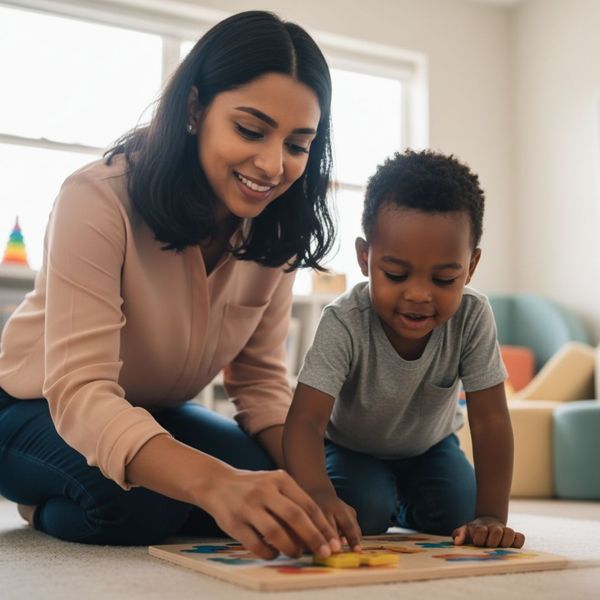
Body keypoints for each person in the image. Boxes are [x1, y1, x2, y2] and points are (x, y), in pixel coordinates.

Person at [0, 10, 343, 560]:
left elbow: (258, 382)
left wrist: (315, 477)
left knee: (285, 490)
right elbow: (81, 392)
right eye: (250, 130)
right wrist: (213, 485)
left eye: (298, 145)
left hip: (154, 411)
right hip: (32, 407)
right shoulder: (98, 197)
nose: (273, 165)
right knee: (142, 507)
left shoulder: (277, 226)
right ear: (194, 109)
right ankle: (42, 502)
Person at [283, 149, 526, 551]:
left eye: (445, 279)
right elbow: (305, 423)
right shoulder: (344, 321)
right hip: (351, 449)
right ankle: (388, 503)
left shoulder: (473, 315)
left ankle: (405, 505)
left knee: (460, 512)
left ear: (471, 267)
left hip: (431, 448)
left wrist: (492, 517)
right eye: (395, 274)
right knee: (365, 511)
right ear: (365, 258)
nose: (418, 295)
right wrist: (319, 497)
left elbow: (491, 421)